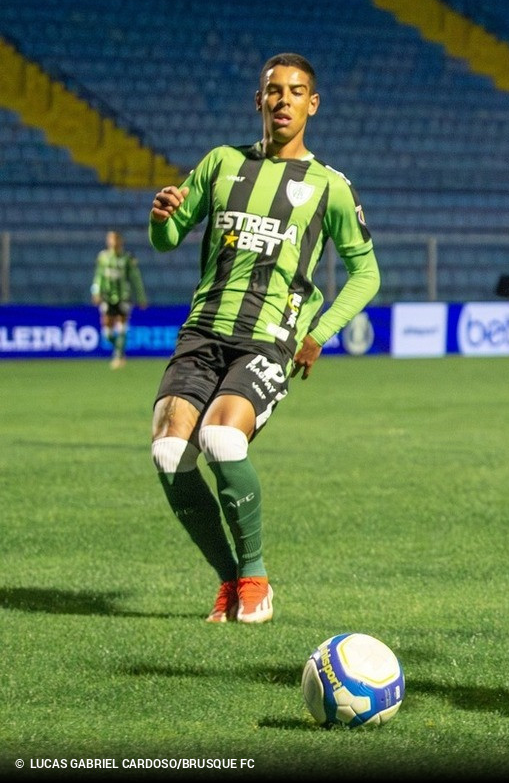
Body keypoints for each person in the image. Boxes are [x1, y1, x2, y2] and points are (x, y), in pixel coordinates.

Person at [146, 53, 380, 624]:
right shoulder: (221, 163)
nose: (283, 100)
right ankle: (228, 581)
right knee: (170, 449)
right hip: (202, 332)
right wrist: (162, 216)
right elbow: (169, 239)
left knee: (223, 439)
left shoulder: (330, 187)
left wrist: (319, 333)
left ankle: (255, 579)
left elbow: (367, 272)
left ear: (312, 104)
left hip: (267, 340)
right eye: (273, 90)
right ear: (259, 100)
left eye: (295, 92)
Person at [91, 229, 148, 369]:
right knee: (108, 333)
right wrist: (96, 292)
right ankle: (119, 350)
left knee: (122, 326)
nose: (113, 242)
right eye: (110, 239)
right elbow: (98, 276)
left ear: (120, 241)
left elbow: (136, 278)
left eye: (115, 239)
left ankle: (118, 356)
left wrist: (141, 297)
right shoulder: (103, 257)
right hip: (107, 297)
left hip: (123, 297)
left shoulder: (127, 258)